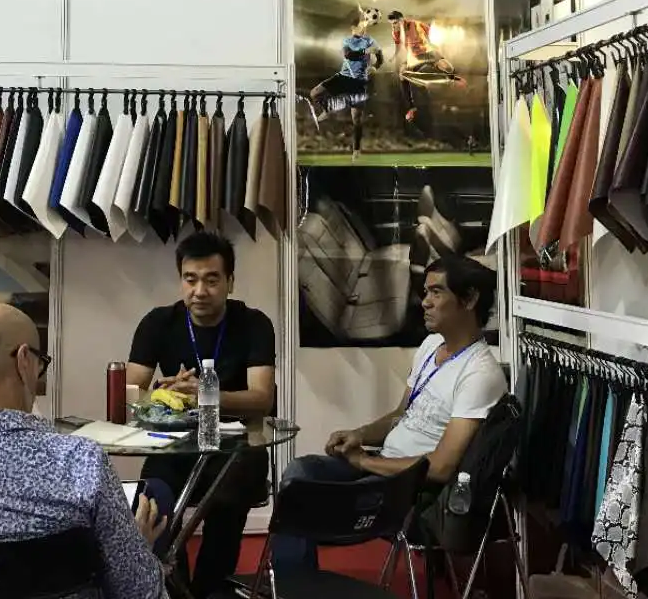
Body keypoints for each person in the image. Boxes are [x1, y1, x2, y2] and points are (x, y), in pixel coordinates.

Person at [0, 303, 170, 599]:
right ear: (24, 361)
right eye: (42, 362)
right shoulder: (82, 465)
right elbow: (140, 591)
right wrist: (138, 549)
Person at [272, 254, 506, 569]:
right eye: (426, 292)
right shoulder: (430, 347)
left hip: (407, 491)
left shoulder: (481, 374)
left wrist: (364, 461)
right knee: (300, 474)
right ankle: (293, 583)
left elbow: (440, 468)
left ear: (470, 299)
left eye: (437, 292)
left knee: (303, 498)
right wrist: (359, 435)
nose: (425, 302)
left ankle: (293, 582)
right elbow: (401, 414)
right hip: (382, 466)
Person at [127, 231, 276, 598]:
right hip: (175, 446)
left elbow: (262, 399)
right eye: (190, 279)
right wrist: (163, 391)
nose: (199, 291)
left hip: (237, 447)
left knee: (225, 505)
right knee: (153, 498)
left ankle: (211, 589)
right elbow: (130, 394)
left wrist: (203, 396)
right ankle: (175, 586)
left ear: (230, 282)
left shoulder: (254, 323)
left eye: (211, 280)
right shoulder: (158, 322)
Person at [305, 5, 383, 160]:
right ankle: (327, 109)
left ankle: (356, 150)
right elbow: (349, 55)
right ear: (353, 28)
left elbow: (380, 58)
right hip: (343, 77)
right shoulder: (347, 41)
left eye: (365, 24)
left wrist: (376, 66)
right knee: (314, 93)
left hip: (359, 82)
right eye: (361, 24)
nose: (364, 26)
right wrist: (365, 51)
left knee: (357, 119)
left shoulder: (371, 41)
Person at [387, 9, 466, 126]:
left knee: (447, 67)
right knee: (402, 76)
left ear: (402, 20)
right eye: (391, 24)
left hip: (428, 52)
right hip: (414, 57)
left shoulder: (417, 25)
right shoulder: (395, 33)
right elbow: (399, 47)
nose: (394, 26)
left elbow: (432, 35)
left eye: (395, 23)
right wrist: (396, 58)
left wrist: (438, 50)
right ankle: (411, 108)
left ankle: (456, 79)